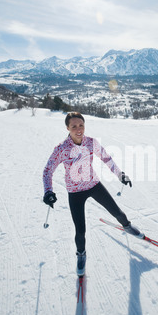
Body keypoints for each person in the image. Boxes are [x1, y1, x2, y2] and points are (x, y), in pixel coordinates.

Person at [43, 112, 144, 276]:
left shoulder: (91, 143)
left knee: (117, 212)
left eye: (81, 125)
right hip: (75, 192)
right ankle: (81, 254)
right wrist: (48, 191)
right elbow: (48, 171)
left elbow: (107, 159)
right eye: (74, 126)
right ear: (67, 128)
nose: (78, 129)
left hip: (93, 185)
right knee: (80, 231)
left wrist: (120, 175)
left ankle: (127, 226)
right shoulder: (61, 149)